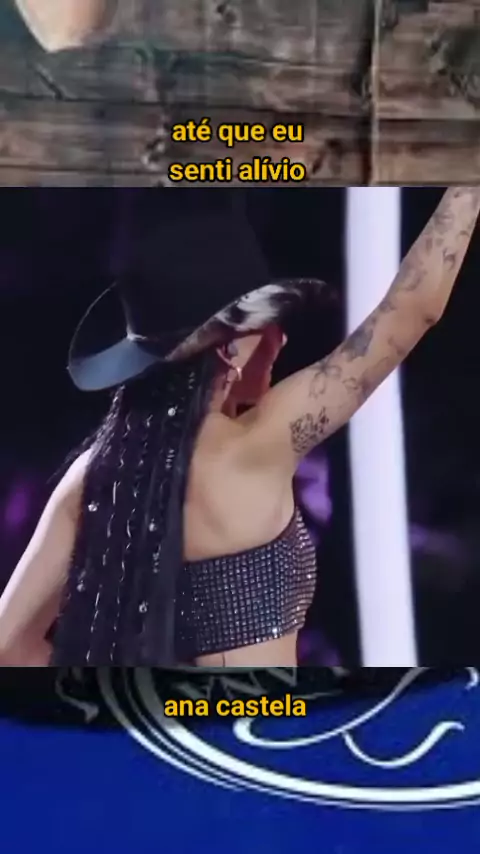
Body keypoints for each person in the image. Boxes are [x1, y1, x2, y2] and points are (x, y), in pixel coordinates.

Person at [0, 187, 479, 668]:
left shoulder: (93, 475)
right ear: (227, 350)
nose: (281, 338)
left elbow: (9, 644)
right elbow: (412, 309)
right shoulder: (259, 443)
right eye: (264, 323)